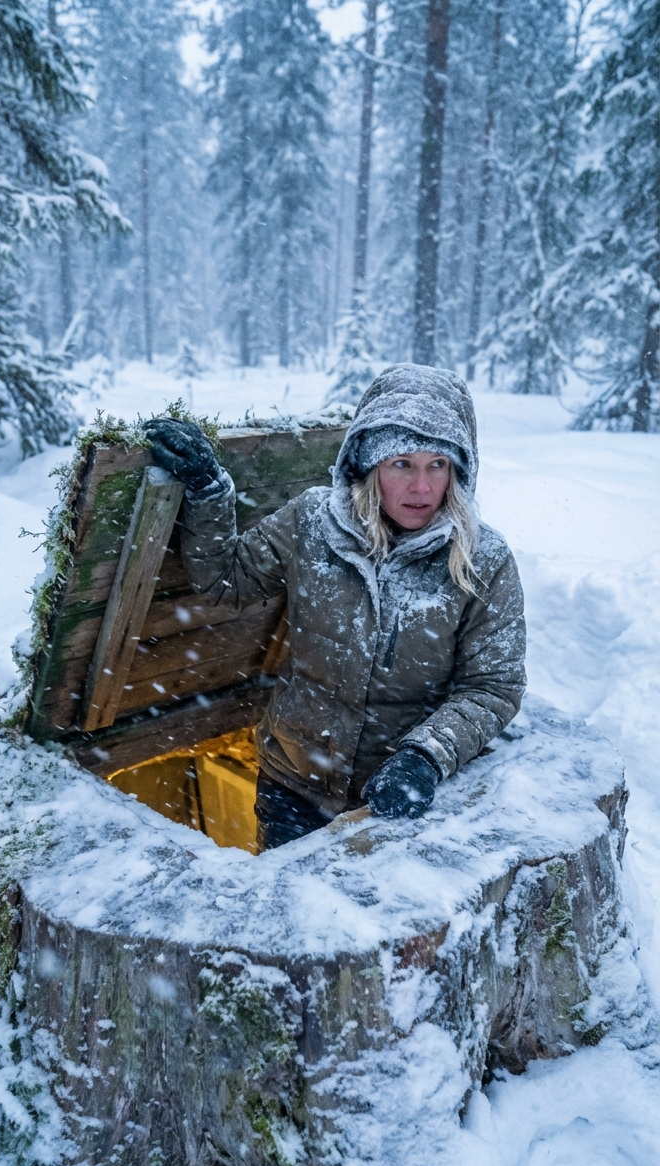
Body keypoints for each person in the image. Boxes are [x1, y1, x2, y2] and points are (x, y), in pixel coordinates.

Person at [144, 363, 526, 852]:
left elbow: (493, 686)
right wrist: (207, 492)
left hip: (396, 800)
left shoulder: (483, 559)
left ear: (458, 471)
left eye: (437, 465)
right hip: (292, 786)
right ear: (367, 465)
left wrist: (426, 755)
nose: (422, 487)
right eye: (401, 464)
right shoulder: (312, 522)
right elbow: (227, 581)